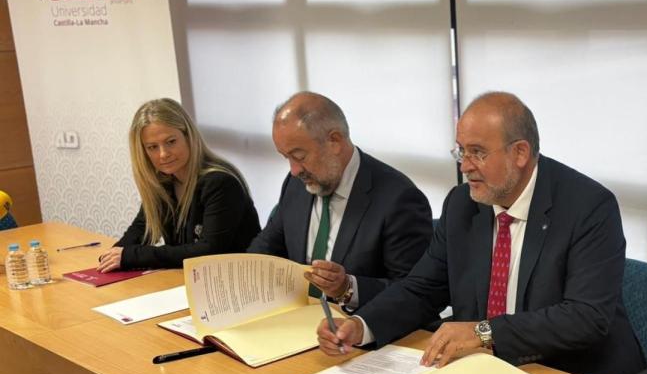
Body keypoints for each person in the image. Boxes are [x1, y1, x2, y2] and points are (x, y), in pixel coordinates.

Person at [317, 91, 646, 374]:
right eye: (461, 151)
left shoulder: (588, 207)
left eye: (477, 153)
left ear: (520, 153)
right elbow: (422, 289)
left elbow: (585, 317)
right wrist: (363, 325)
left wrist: (484, 333)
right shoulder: (462, 204)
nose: (464, 166)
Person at [247, 92, 432, 307]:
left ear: (334, 141)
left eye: (299, 156)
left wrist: (348, 288)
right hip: (297, 315)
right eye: (286, 157)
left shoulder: (398, 199)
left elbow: (416, 292)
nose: (294, 170)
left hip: (357, 321)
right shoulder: (295, 184)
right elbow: (265, 249)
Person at [99, 98, 260, 272]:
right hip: (192, 279)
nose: (163, 154)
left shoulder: (220, 183)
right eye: (152, 147)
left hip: (236, 279)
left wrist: (132, 256)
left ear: (188, 136)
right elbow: (140, 230)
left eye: (171, 142)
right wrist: (114, 254)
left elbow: (209, 251)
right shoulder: (164, 182)